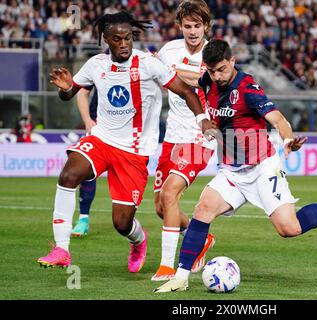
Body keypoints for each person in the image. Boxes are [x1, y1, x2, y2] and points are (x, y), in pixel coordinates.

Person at [154, 39, 317, 293]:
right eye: (211, 71)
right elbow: (190, 84)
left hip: (261, 168)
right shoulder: (208, 80)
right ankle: (181, 277)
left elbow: (277, 118)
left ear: (232, 62)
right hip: (231, 172)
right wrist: (200, 117)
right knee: (203, 210)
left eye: (222, 69)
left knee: (289, 228)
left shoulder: (248, 88)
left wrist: (288, 139)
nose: (217, 76)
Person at [37, 11, 212, 274]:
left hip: (134, 152)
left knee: (121, 223)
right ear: (105, 40)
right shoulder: (96, 64)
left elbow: (186, 90)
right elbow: (72, 92)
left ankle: (138, 241)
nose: (123, 44)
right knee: (69, 174)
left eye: (128, 38)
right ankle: (62, 249)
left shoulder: (148, 64)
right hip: (102, 140)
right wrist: (65, 89)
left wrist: (202, 119)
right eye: (116, 39)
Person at [151, 0, 216, 281]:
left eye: (197, 26)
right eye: (187, 26)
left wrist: (169, 72)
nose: (192, 31)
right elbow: (156, 78)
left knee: (170, 194)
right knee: (161, 207)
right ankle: (199, 237)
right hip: (172, 136)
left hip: (200, 137)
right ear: (180, 26)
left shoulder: (214, 53)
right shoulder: (169, 50)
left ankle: (168, 267)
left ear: (206, 27)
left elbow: (205, 79)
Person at [71, 87, 98, 237]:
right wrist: (87, 119)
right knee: (87, 170)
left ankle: (127, 220)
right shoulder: (98, 63)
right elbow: (82, 91)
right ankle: (83, 219)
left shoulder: (141, 64)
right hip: (97, 123)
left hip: (127, 128)